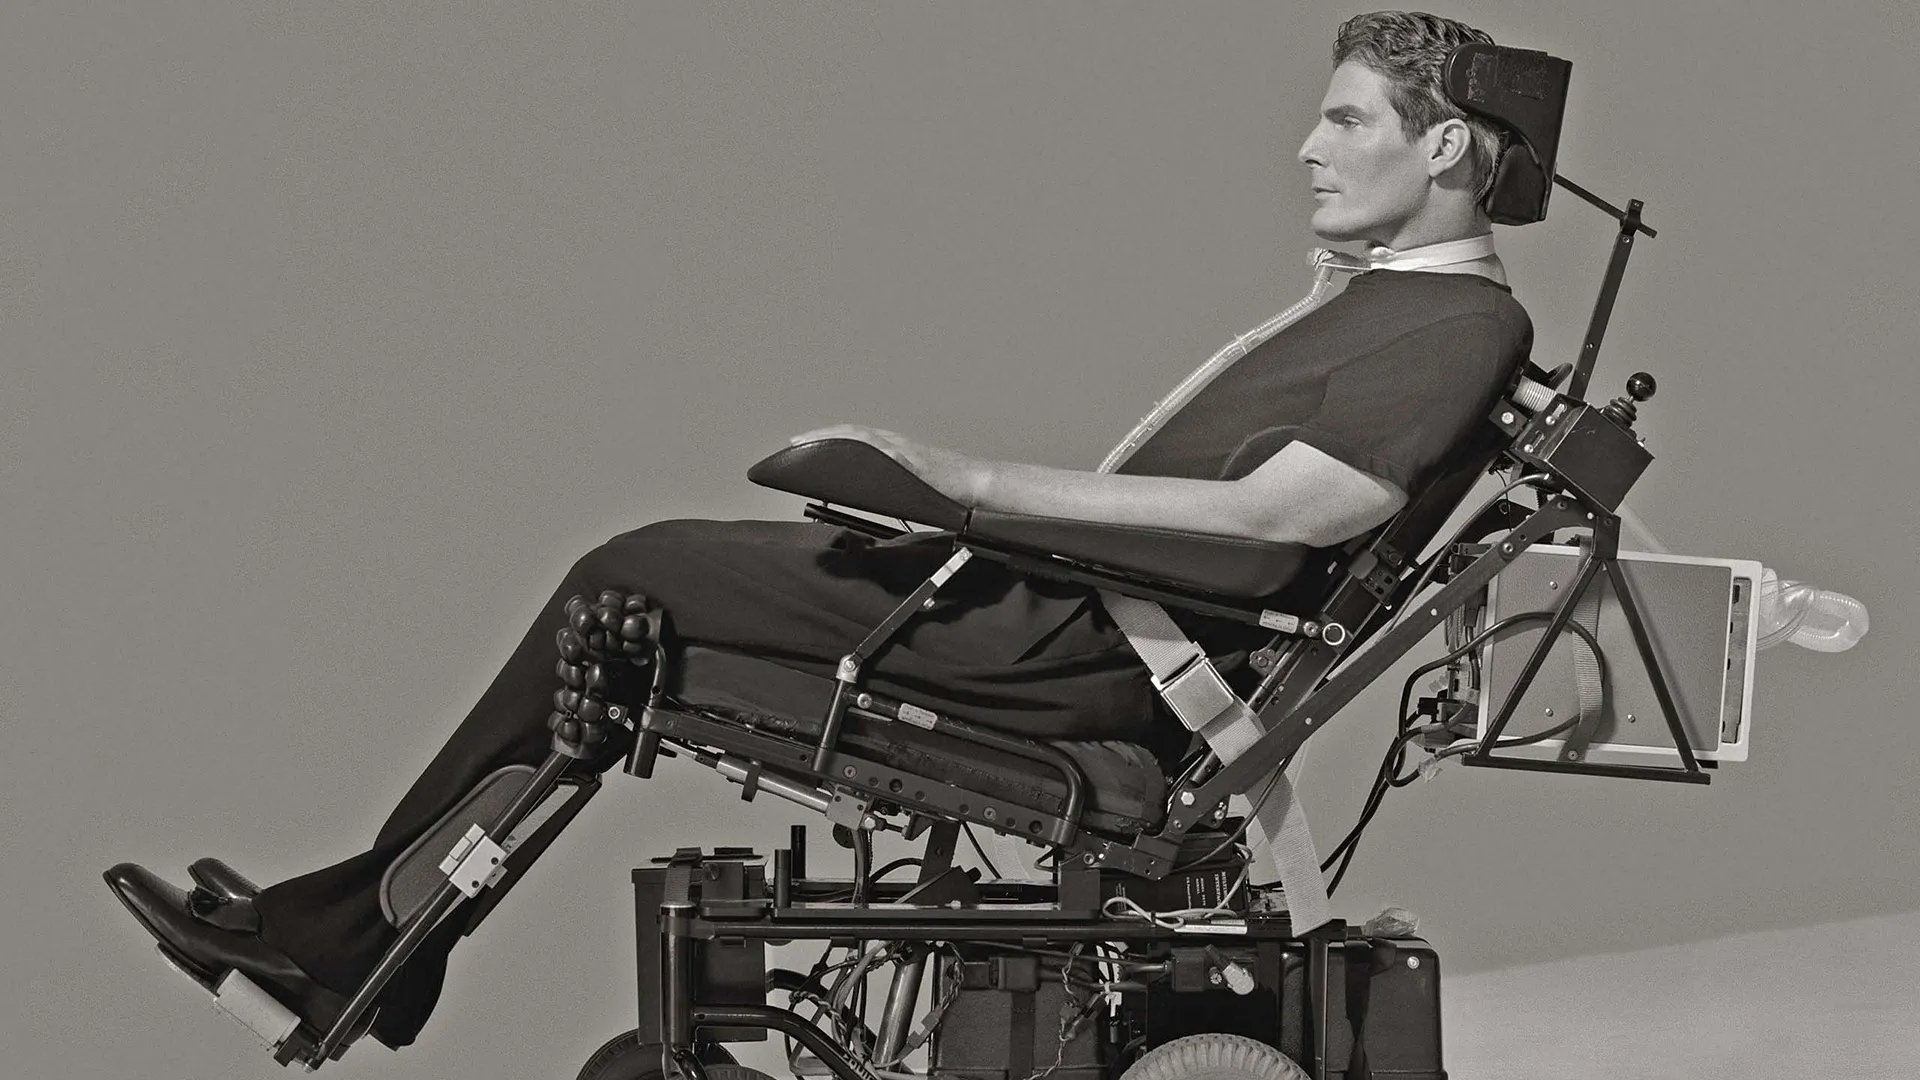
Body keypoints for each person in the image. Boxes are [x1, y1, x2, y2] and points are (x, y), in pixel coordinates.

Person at [105, 10, 1534, 1054]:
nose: (1307, 146)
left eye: (1348, 120)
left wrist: (970, 486)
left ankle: (355, 942)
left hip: (1073, 647)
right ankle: (378, 936)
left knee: (630, 577)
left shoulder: (1461, 322)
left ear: (1447, 147)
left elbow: (1290, 518)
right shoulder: (1385, 305)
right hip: (1061, 615)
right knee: (629, 616)